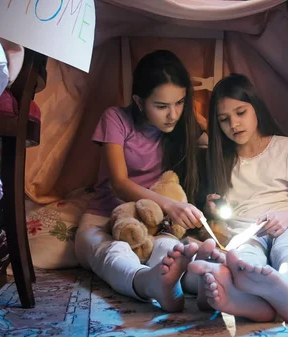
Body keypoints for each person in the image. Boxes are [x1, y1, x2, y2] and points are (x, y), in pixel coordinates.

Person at [75, 49, 224, 313]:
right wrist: (171, 206)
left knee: (169, 248)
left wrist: (195, 117)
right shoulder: (116, 119)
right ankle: (148, 283)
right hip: (104, 216)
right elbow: (119, 183)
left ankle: (201, 280)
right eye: (161, 106)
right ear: (139, 101)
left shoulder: (182, 125)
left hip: (153, 223)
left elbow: (220, 145)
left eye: (179, 102)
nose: (173, 115)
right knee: (113, 251)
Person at [189, 73, 288, 323]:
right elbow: (222, 216)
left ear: (256, 108)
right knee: (246, 260)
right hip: (245, 231)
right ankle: (248, 302)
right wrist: (211, 209)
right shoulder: (219, 159)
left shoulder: (287, 148)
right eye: (224, 119)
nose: (234, 124)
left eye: (241, 112)